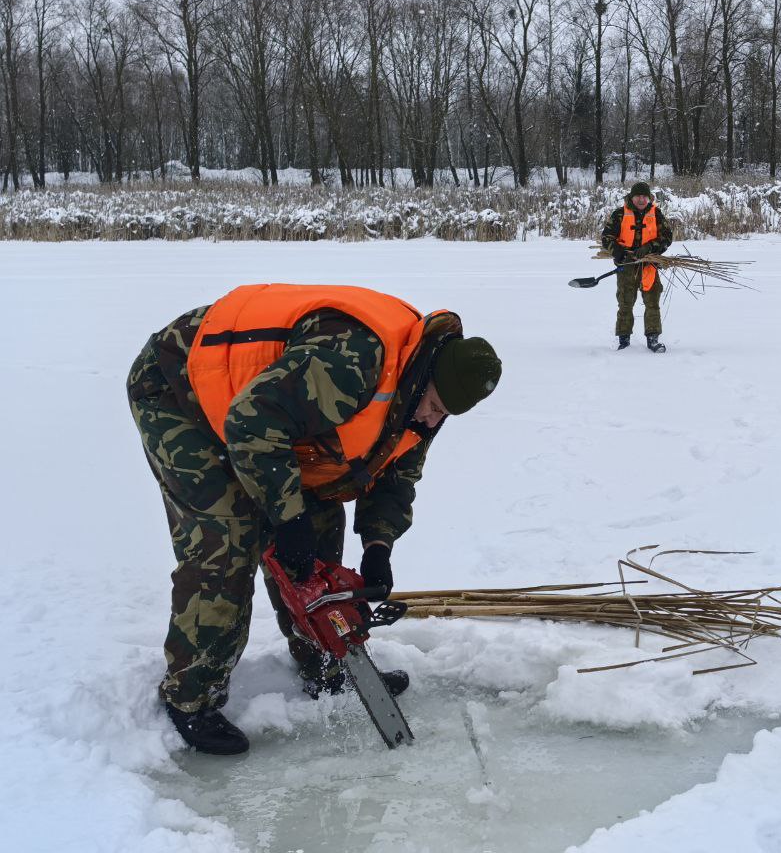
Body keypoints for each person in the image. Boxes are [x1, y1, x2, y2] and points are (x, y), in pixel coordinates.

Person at [127, 283, 501, 755]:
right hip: (181, 388)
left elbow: (397, 475)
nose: (430, 421)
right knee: (226, 540)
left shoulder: (418, 401)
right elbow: (251, 423)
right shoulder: (350, 365)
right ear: (424, 378)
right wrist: (286, 519)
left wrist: (378, 547)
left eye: (442, 416)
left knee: (319, 529)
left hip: (272, 416)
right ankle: (192, 696)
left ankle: (325, 662)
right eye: (433, 407)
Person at [600, 181, 673, 352]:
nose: (641, 200)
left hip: (649, 264)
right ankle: (624, 340)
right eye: (638, 196)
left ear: (649, 198)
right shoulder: (619, 214)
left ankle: (653, 339)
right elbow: (607, 237)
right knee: (625, 302)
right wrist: (619, 252)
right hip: (626, 265)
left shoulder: (656, 214)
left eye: (644, 196)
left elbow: (667, 237)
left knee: (652, 301)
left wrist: (650, 248)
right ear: (631, 197)